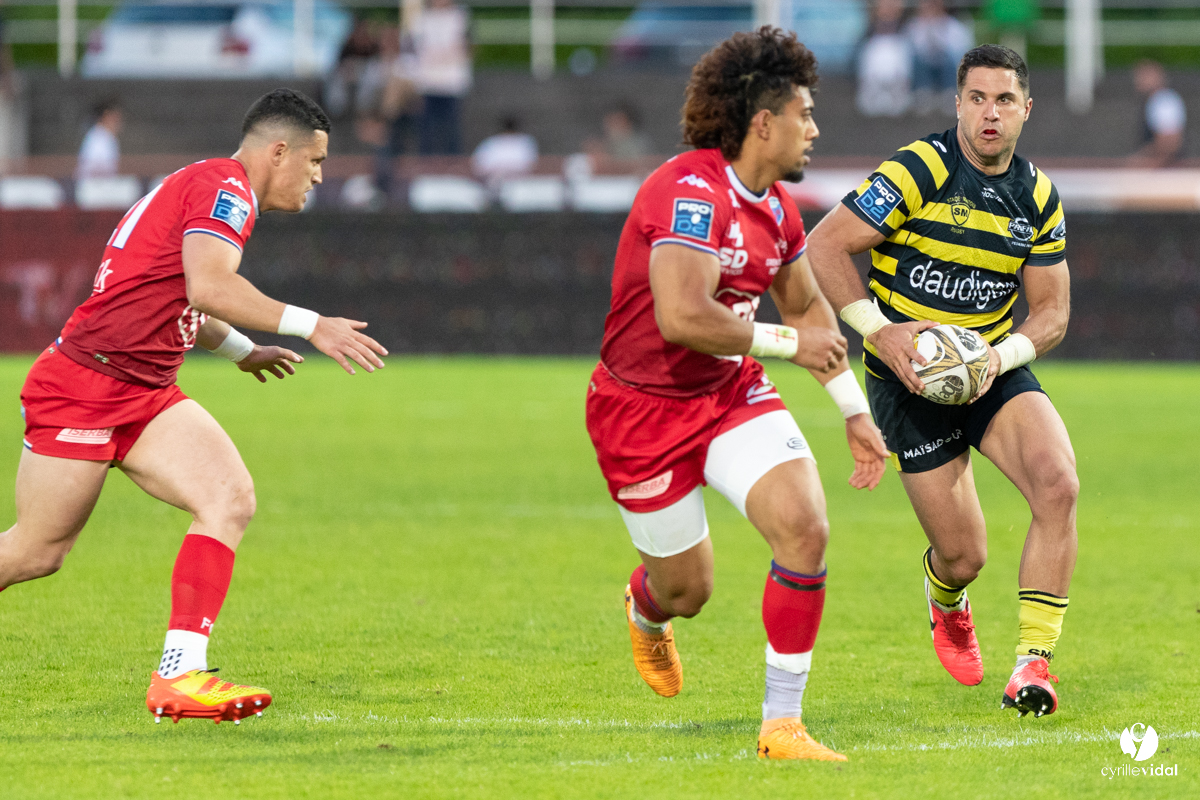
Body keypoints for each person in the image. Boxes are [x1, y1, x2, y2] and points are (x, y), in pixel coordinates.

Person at [0, 89, 388, 724]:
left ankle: (180, 674)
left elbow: (183, 297)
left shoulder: (207, 185)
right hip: (85, 385)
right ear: (279, 151)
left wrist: (241, 352)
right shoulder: (226, 190)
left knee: (229, 497)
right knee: (36, 552)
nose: (318, 176)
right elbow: (209, 285)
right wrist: (312, 324)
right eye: (315, 161)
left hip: (145, 391)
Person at [585, 27, 888, 761]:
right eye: (804, 115)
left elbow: (812, 314)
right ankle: (648, 609)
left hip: (729, 394)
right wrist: (788, 344)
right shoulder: (686, 191)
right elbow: (682, 316)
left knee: (805, 527)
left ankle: (782, 724)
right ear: (763, 122)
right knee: (689, 591)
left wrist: (853, 411)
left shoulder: (780, 209)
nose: (814, 129)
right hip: (640, 412)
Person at [805, 45, 1077, 718]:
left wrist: (1000, 358)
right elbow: (825, 244)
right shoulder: (920, 167)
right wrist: (879, 330)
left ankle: (1033, 666)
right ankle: (946, 596)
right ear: (957, 104)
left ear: (1026, 110)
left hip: (986, 369)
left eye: (1004, 100)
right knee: (965, 556)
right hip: (906, 379)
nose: (990, 113)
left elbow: (1052, 312)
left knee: (1058, 481)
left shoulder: (1037, 197)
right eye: (977, 98)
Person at [413, 0, 472, 155]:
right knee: (427, 127)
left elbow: (463, 48)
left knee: (451, 127)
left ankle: (453, 161)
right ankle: (426, 162)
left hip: (452, 80)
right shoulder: (422, 18)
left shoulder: (460, 16)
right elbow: (417, 47)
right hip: (428, 80)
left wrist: (438, 55)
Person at [904, 0, 971, 115]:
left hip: (947, 69)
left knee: (949, 56)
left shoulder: (954, 26)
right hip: (923, 69)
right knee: (918, 57)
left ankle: (950, 93)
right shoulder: (913, 26)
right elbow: (908, 53)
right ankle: (922, 93)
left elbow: (963, 54)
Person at [857, 0, 912, 117]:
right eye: (884, 5)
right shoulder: (868, 35)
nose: (888, 8)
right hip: (872, 86)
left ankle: (897, 96)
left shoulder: (904, 33)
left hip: (897, 85)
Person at [1131, 60, 1186, 167]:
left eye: (1144, 76)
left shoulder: (1163, 100)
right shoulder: (1154, 101)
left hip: (1166, 170)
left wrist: (1145, 164)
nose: (1138, 80)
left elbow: (1170, 142)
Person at [471, 116, 538, 182]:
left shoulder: (524, 141)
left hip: (519, 180)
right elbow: (479, 168)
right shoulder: (491, 142)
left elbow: (530, 166)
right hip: (494, 179)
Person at [77, 99, 123, 179]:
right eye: (115, 118)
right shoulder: (97, 137)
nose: (118, 122)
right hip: (93, 184)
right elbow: (92, 168)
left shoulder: (109, 137)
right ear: (106, 116)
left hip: (103, 183)